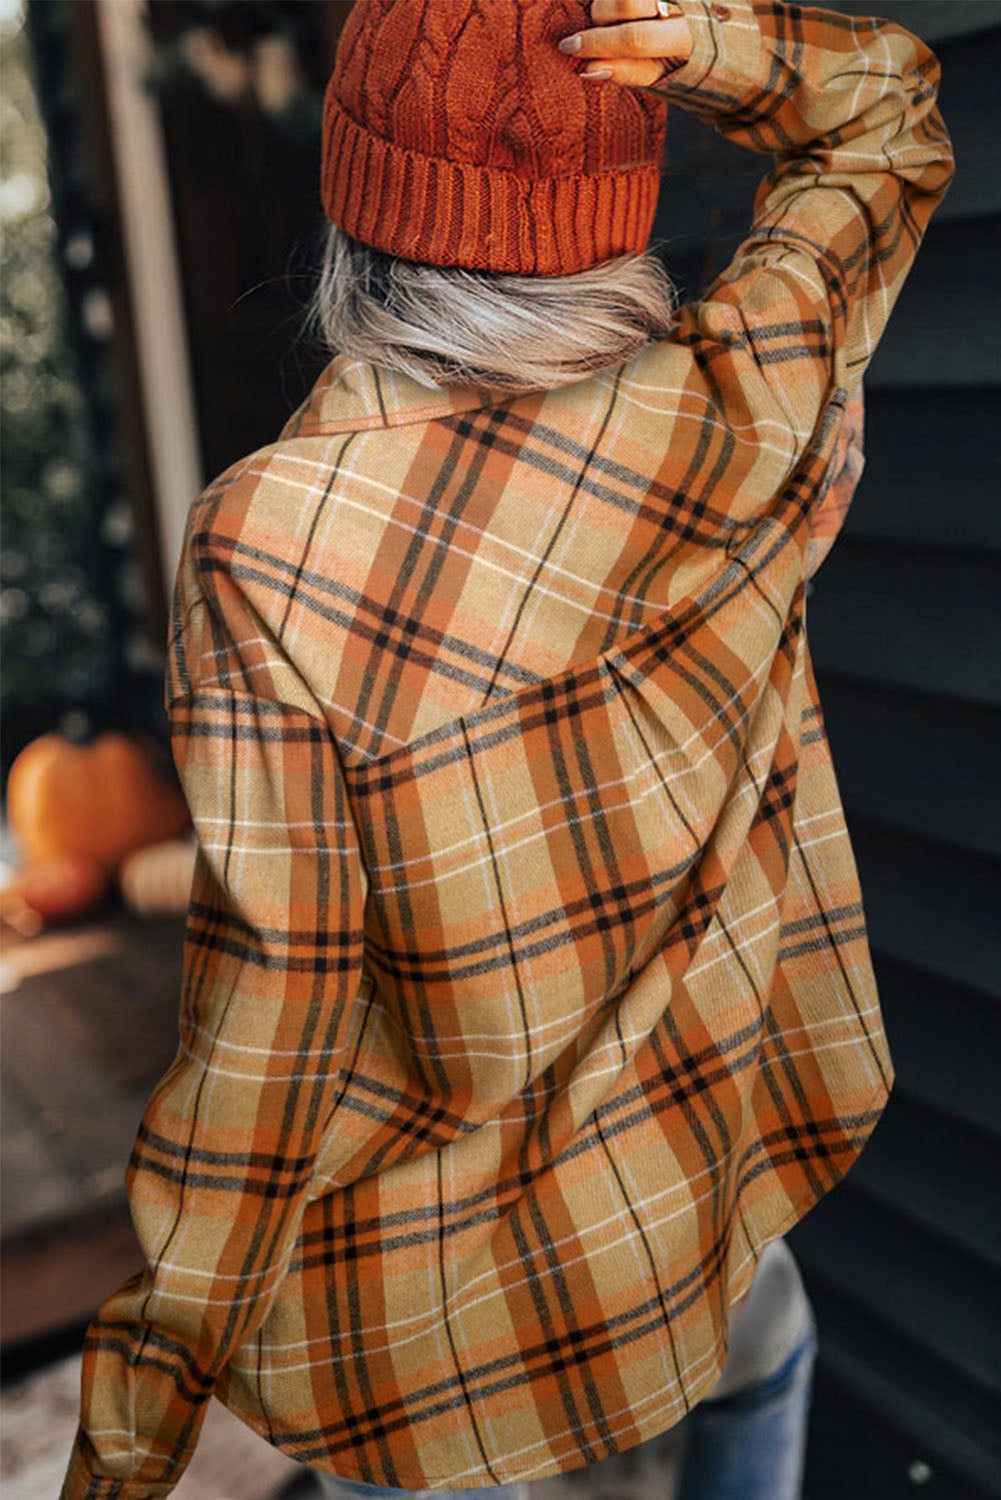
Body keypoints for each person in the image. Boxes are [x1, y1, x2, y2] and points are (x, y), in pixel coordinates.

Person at [59, 1, 954, 1498]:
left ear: (361, 216)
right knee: (765, 1348)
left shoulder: (270, 550)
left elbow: (269, 1032)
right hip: (691, 1178)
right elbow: (885, 112)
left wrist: (137, 1419)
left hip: (430, 1294)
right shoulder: (750, 391)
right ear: (615, 203)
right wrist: (716, 47)